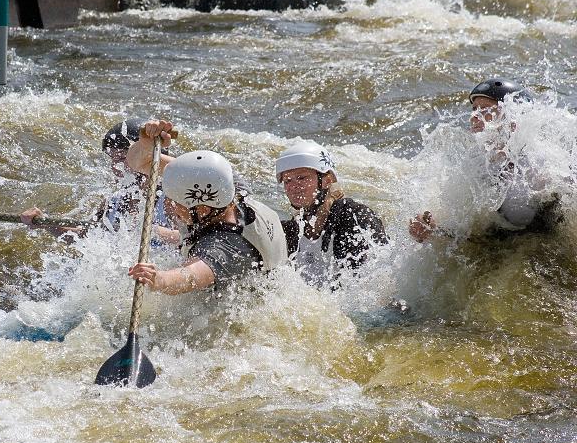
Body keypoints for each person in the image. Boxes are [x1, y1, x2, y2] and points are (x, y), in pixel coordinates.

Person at [127, 120, 288, 295]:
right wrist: (145, 146)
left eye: (177, 203)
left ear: (202, 209)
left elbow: (188, 277)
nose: (170, 206)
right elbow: (140, 163)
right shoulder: (228, 187)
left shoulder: (227, 247)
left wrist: (158, 279)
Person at [409, 78, 561, 242]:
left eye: (486, 110)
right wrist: (433, 229)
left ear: (513, 120)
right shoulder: (475, 162)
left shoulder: (538, 166)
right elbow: (468, 229)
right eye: (474, 109)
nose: (474, 116)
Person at [20, 120, 171, 240]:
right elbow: (86, 235)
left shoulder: (172, 197)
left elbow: (191, 239)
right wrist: (46, 223)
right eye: (113, 159)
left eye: (123, 158)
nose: (115, 167)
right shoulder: (114, 202)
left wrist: (147, 230)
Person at [276, 140, 388, 287]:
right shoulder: (290, 231)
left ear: (327, 180)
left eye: (302, 178)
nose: (293, 187)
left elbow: (383, 276)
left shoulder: (355, 217)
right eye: (287, 181)